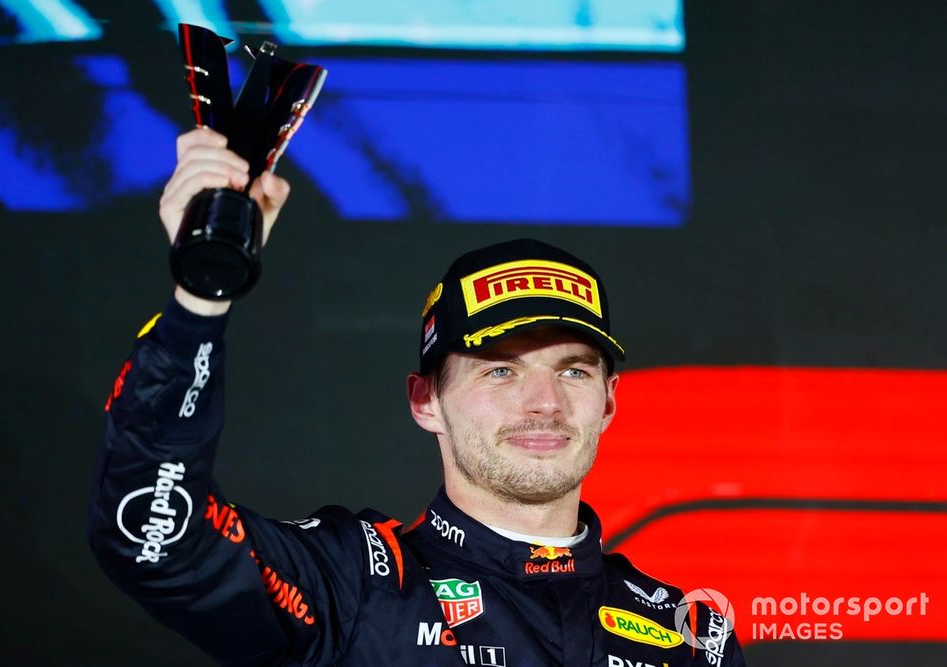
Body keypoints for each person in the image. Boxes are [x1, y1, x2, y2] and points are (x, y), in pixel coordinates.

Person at [89, 128, 745, 666]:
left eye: (573, 371)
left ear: (608, 402)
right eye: (500, 370)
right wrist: (201, 297)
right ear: (425, 400)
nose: (544, 401)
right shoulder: (354, 583)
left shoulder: (690, 635)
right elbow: (155, 538)